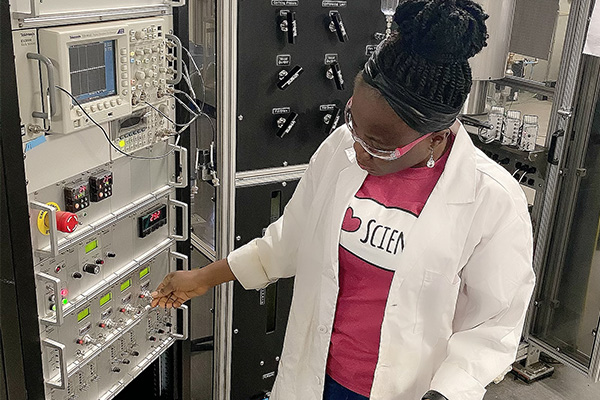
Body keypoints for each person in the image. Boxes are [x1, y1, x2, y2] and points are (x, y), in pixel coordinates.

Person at [151, 1, 536, 399]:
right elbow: (289, 240)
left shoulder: (491, 200)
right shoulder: (341, 149)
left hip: (407, 390)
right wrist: (201, 278)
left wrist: (447, 393)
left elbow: (494, 325)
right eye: (354, 124)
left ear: (437, 137)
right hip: (313, 375)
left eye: (381, 146)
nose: (361, 151)